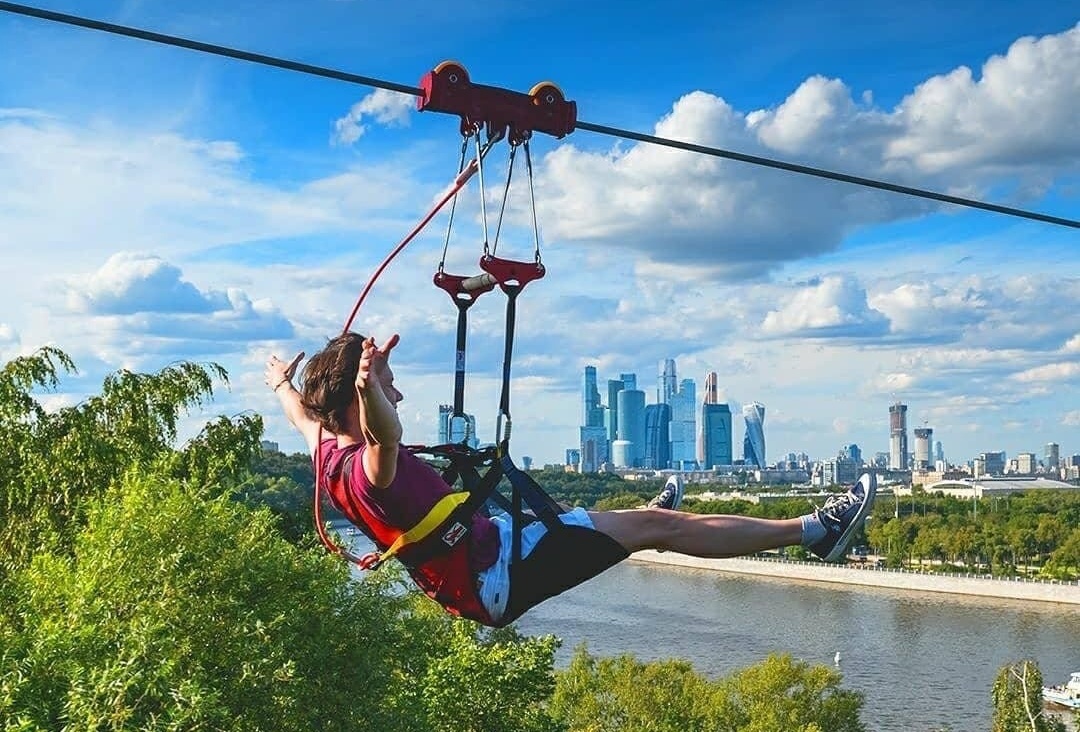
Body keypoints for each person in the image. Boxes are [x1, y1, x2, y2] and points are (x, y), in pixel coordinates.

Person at [266, 332, 876, 627]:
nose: (397, 390)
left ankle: (636, 519)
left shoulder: (325, 452)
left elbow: (301, 413)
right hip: (497, 573)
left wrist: (280, 383)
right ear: (359, 402)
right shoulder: (375, 471)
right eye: (386, 385)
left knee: (639, 523)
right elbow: (384, 436)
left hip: (495, 552)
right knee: (658, 528)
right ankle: (813, 532)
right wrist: (372, 390)